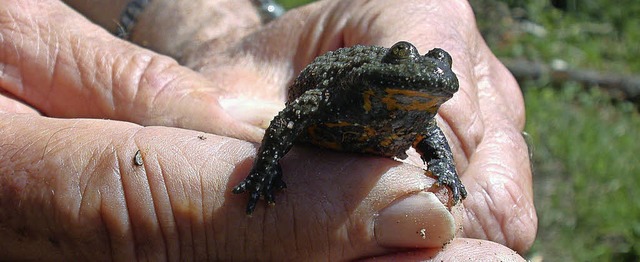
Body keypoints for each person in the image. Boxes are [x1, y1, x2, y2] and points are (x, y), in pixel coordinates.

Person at [0, 0, 536, 260]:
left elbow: (428, 134)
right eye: (408, 64)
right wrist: (266, 168)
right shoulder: (349, 91)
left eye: (438, 78)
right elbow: (289, 118)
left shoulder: (417, 111)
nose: (426, 81)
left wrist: (442, 168)